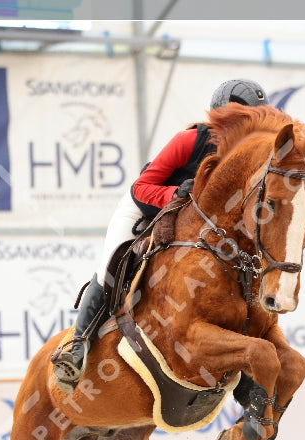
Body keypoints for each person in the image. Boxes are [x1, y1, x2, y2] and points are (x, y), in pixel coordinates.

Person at [51, 78, 269, 390]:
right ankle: (77, 346)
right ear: (222, 115)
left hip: (194, 223)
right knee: (111, 264)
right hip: (145, 206)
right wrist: (178, 195)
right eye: (243, 118)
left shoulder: (248, 158)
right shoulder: (191, 140)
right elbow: (141, 187)